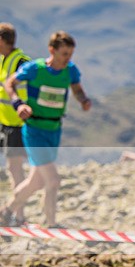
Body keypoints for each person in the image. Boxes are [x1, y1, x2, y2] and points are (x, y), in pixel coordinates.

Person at [1, 31, 91, 228]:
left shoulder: (71, 70)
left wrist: (83, 100)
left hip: (54, 129)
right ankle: (51, 224)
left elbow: (76, 88)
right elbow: (10, 83)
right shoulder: (35, 69)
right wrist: (18, 104)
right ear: (52, 50)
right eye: (64, 54)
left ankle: (6, 212)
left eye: (70, 54)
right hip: (34, 130)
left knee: (37, 182)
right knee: (53, 180)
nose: (68, 58)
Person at [0, 23, 31, 224]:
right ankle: (17, 215)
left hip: (18, 125)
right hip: (5, 123)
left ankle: (18, 215)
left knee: (15, 169)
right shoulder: (4, 60)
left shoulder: (21, 62)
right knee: (13, 169)